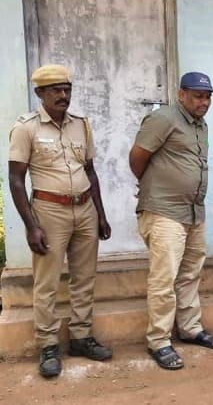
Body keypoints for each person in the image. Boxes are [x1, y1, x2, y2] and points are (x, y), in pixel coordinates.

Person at [8, 64, 113, 378]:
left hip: (84, 210)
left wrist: (101, 213)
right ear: (40, 93)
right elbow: (15, 180)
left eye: (66, 89)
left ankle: (81, 337)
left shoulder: (82, 125)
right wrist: (31, 226)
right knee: (48, 283)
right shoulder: (26, 127)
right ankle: (48, 344)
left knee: (84, 279)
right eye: (55, 90)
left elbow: (90, 171)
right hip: (49, 211)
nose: (63, 95)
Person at [129, 71, 213, 371]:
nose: (204, 101)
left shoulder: (201, 125)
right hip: (164, 211)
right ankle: (158, 340)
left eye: (208, 96)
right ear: (181, 94)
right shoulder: (164, 119)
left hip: (194, 211)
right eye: (198, 95)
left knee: (190, 273)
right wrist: (155, 188)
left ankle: (190, 328)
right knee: (164, 279)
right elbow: (137, 157)